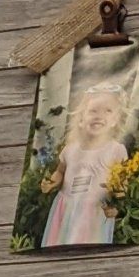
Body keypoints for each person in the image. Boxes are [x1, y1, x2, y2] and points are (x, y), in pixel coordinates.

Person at [40, 76, 131, 248]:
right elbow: (61, 171)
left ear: (115, 120)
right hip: (66, 208)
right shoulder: (71, 149)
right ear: (81, 118)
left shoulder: (116, 150)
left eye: (107, 111)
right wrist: (52, 183)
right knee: (59, 244)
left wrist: (118, 205)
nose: (99, 116)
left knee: (90, 249)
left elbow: (121, 182)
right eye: (93, 111)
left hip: (95, 212)